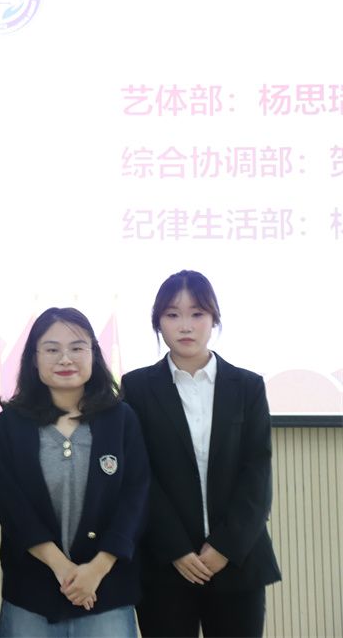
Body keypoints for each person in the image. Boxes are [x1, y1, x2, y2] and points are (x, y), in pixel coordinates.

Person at [120, 270, 280, 637]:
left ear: (214, 319)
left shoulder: (248, 386)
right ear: (158, 322)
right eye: (172, 314)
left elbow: (257, 472)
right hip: (165, 564)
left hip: (237, 561)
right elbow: (139, 475)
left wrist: (225, 547)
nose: (185, 326)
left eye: (197, 314)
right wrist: (175, 549)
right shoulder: (137, 387)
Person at [0, 307, 149, 637]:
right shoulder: (12, 423)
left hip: (105, 590)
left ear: (94, 354)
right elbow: (12, 506)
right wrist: (63, 568)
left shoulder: (121, 419)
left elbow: (135, 500)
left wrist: (96, 571)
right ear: (34, 359)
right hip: (31, 594)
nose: (65, 359)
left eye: (77, 347)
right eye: (52, 349)